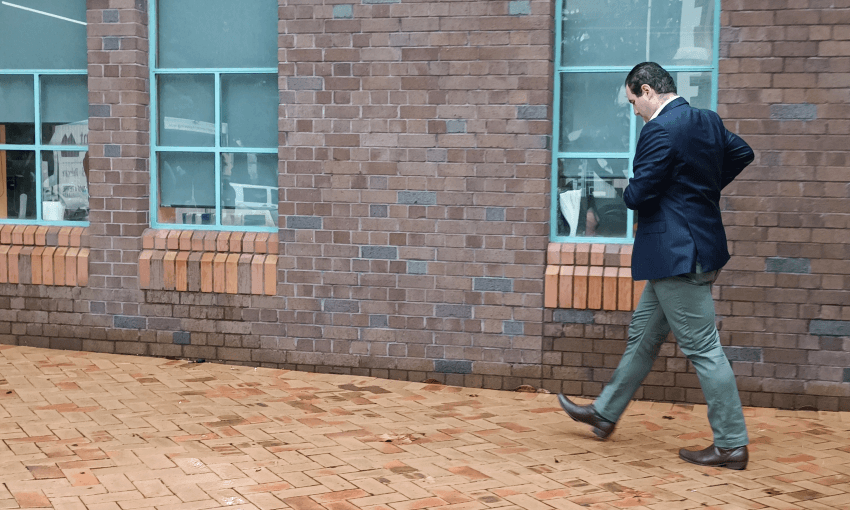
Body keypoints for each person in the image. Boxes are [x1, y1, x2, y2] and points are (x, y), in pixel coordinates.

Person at [557, 62, 755, 470]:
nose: (633, 111)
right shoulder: (707, 120)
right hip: (692, 249)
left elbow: (639, 195)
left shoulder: (659, 130)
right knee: (643, 337)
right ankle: (605, 413)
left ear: (647, 91)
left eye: (632, 101)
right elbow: (742, 153)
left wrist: (624, 190)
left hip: (677, 255)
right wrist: (699, 190)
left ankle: (732, 444)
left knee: (703, 348)